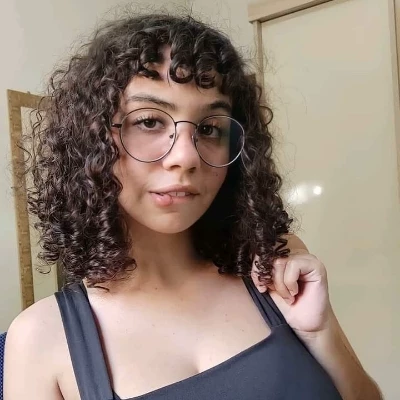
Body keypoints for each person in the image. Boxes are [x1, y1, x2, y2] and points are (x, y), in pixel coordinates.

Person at [4, 12, 382, 400]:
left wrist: (319, 332)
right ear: (91, 139)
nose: (186, 156)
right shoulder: (40, 340)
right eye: (149, 122)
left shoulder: (274, 267)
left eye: (209, 128)